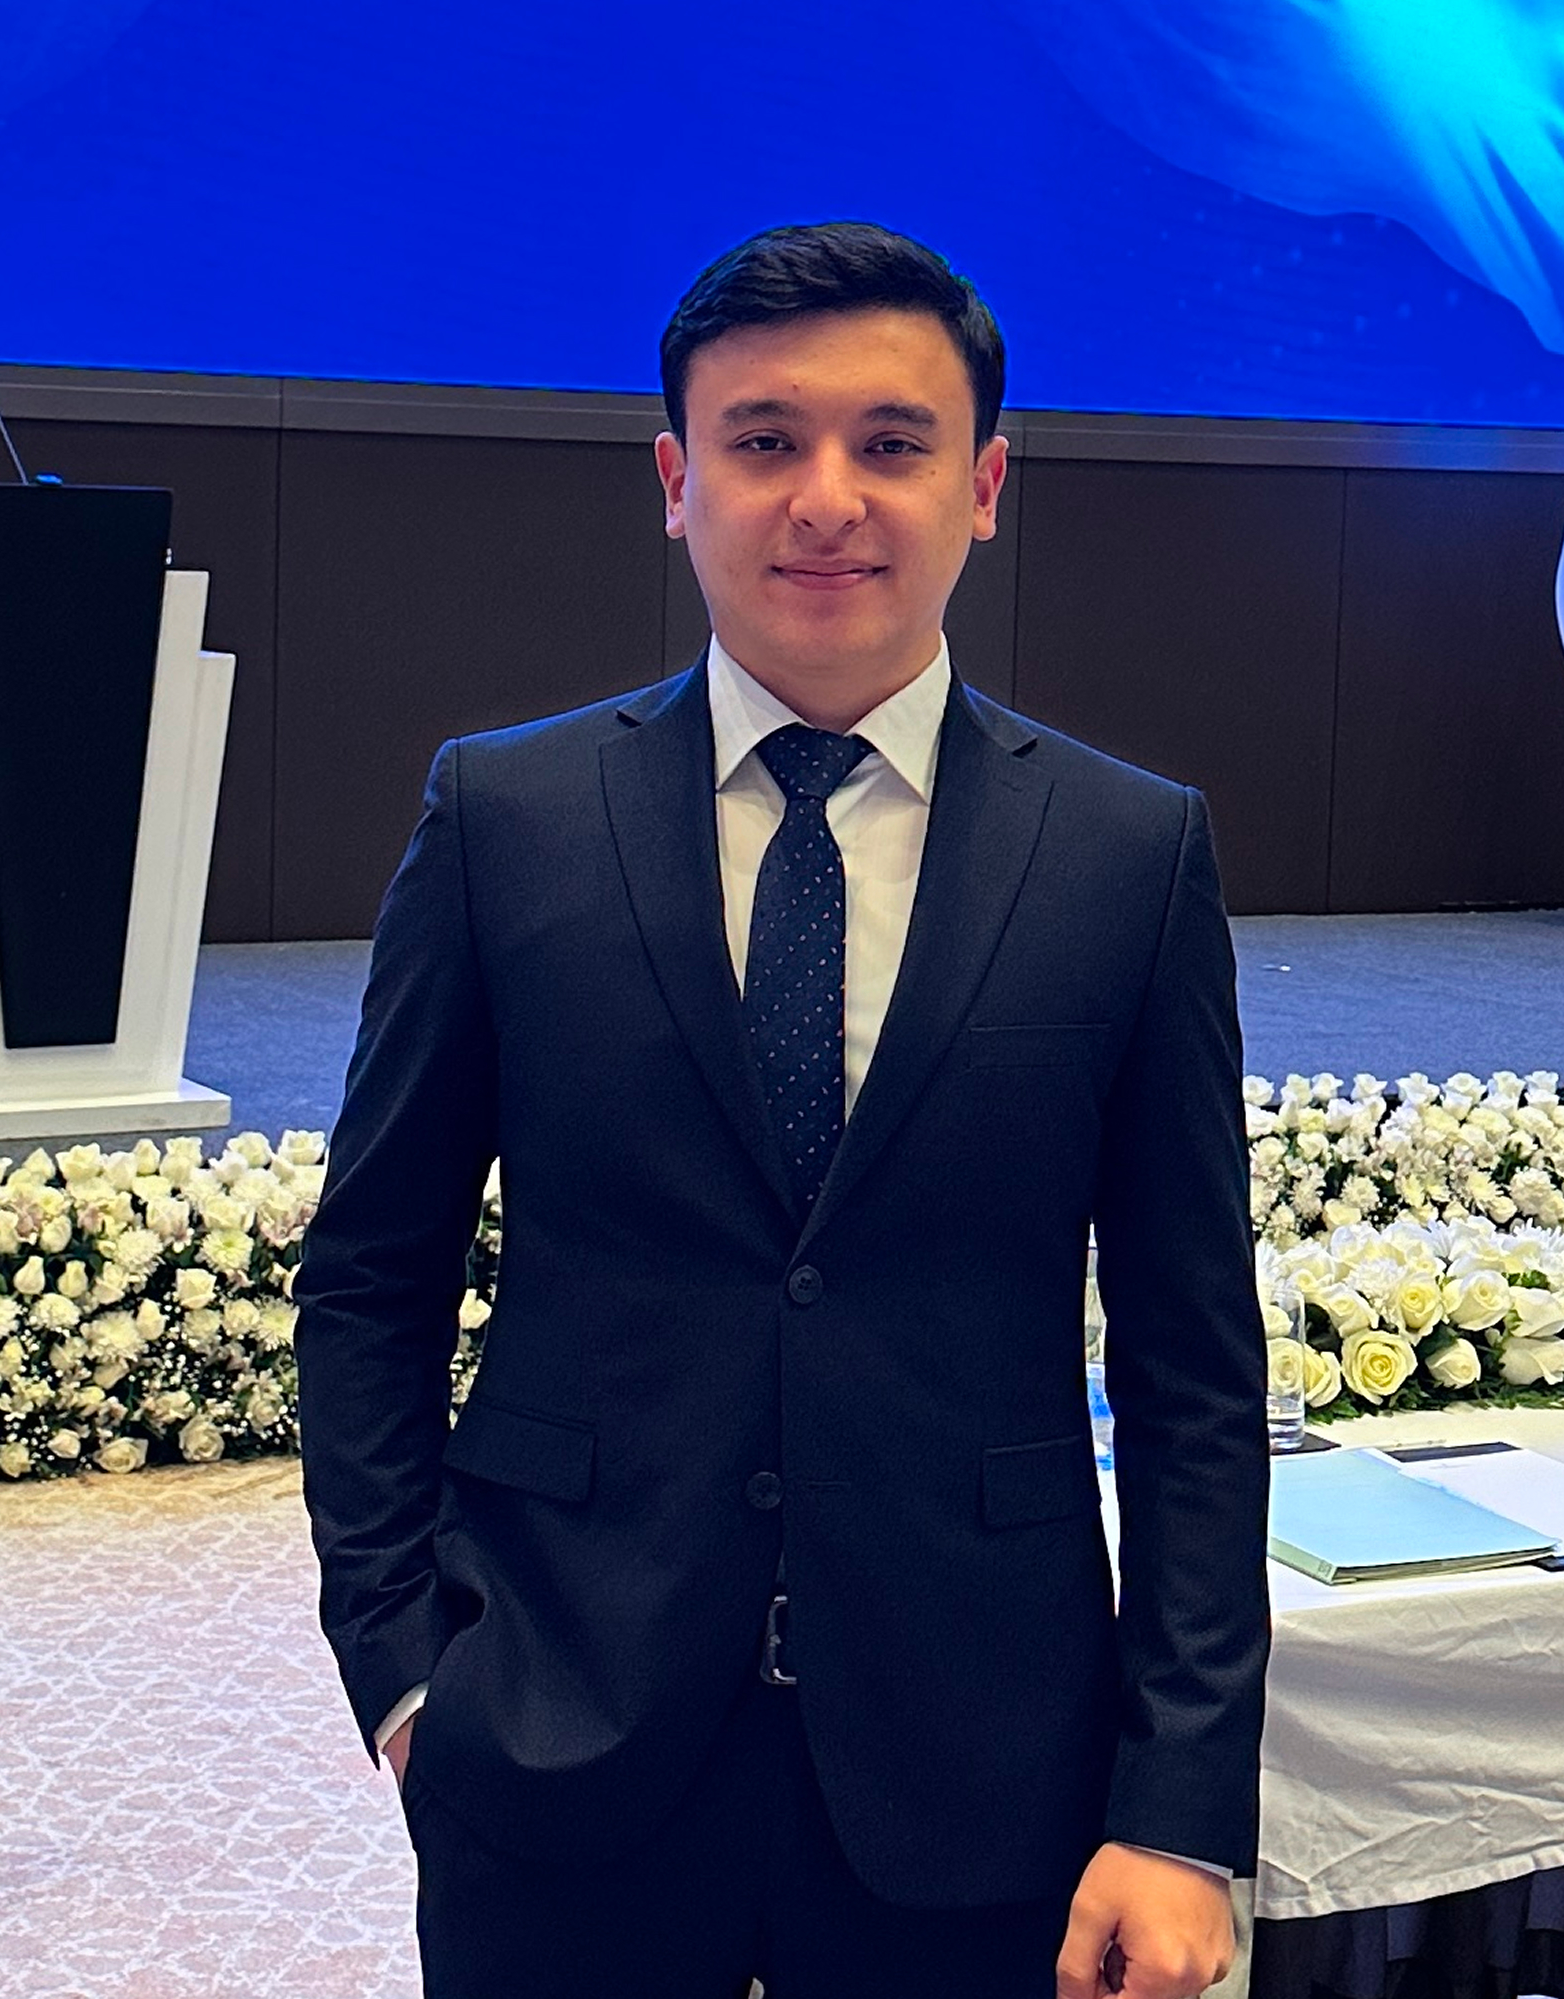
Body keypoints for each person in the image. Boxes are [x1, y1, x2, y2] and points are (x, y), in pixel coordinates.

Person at [294, 220, 1269, 1999]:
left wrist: (1182, 1809)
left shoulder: (1130, 854)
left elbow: (1194, 1366)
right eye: (764, 441)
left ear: (984, 488)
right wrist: (406, 1668)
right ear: (678, 484)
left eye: (893, 443)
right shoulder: (507, 819)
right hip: (556, 1734)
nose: (828, 498)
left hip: (983, 1761)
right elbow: (372, 1274)